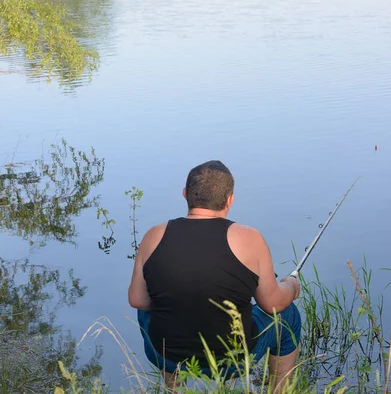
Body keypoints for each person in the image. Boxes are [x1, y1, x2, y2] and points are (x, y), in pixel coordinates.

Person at [128, 160, 301, 392]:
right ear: (230, 199)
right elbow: (272, 304)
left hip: (166, 354)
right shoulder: (249, 238)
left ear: (185, 194)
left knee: (148, 307)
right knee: (288, 314)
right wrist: (291, 286)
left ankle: (174, 388)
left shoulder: (153, 235)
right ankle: (278, 390)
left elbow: (137, 300)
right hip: (233, 361)